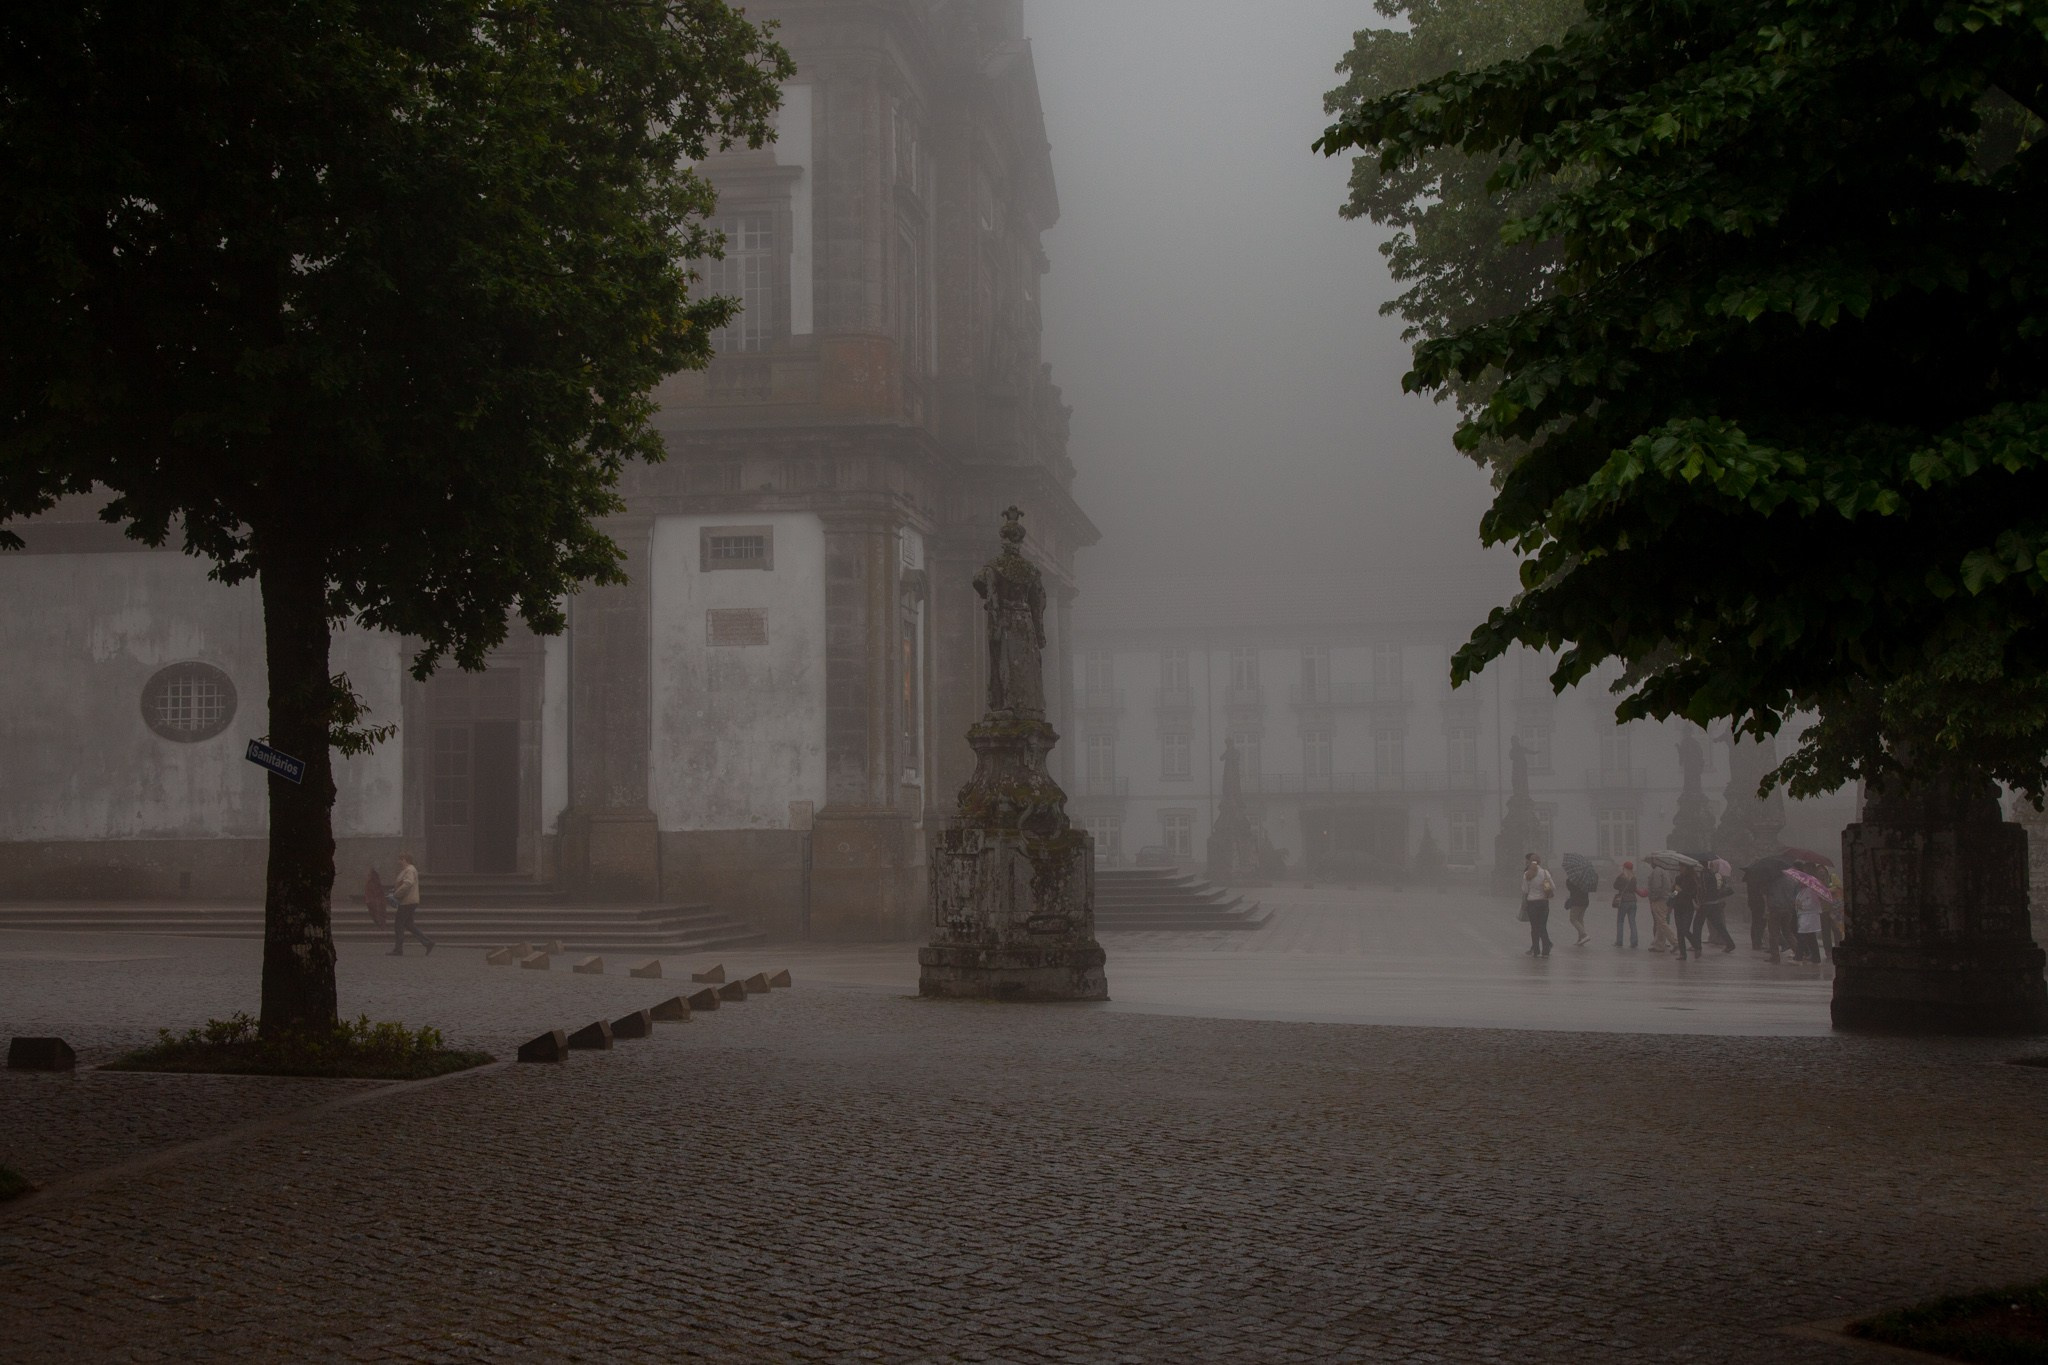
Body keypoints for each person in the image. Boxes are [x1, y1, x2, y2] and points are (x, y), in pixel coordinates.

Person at [388, 851, 434, 956]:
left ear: (405, 859)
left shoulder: (409, 870)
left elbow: (408, 883)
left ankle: (398, 950)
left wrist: (396, 894)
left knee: (398, 925)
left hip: (407, 902)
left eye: (400, 859)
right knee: (409, 924)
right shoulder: (408, 870)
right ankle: (427, 942)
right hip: (410, 901)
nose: (398, 861)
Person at [1521, 852, 1555, 957]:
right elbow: (1553, 887)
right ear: (1540, 862)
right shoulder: (1545, 873)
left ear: (1530, 862)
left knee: (1534, 927)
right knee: (1543, 926)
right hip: (1543, 902)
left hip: (1532, 903)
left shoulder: (1527, 874)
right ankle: (1546, 949)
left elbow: (1525, 890)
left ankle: (1536, 950)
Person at [1701, 857, 1737, 953]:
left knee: (1697, 925)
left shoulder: (1707, 876)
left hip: (1707, 903)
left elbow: (1677, 890)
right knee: (1718, 924)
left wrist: (1671, 898)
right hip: (1713, 903)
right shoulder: (1712, 875)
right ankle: (1729, 943)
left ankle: (1692, 945)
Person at [1671, 864, 1703, 961]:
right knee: (1679, 931)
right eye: (1679, 866)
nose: (1680, 868)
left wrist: (1682, 891)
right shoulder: (1678, 878)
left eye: (1682, 866)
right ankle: (1682, 954)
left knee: (1685, 929)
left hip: (1688, 907)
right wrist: (1673, 894)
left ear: (1687, 868)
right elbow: (1674, 893)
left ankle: (1697, 946)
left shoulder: (1692, 880)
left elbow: (1693, 894)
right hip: (1678, 907)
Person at [1646, 863, 1676, 952]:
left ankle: (1675, 941)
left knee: (1662, 922)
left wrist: (1653, 898)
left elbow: (1657, 887)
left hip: (1660, 900)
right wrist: (1671, 899)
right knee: (1660, 922)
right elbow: (1674, 889)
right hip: (1667, 900)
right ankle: (1659, 944)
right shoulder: (1667, 873)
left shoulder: (1657, 871)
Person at [1612, 862, 1642, 948]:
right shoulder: (1634, 878)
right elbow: (1634, 888)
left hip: (1624, 901)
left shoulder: (1621, 877)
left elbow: (1615, 886)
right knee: (1632, 922)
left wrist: (1619, 876)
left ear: (1624, 868)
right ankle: (1634, 941)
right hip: (1633, 901)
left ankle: (1619, 941)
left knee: (1620, 921)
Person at [1793, 882, 1824, 962]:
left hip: (1809, 917)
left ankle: (1798, 958)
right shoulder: (1802, 890)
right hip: (1804, 916)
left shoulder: (1811, 891)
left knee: (1802, 937)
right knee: (1811, 938)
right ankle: (1816, 958)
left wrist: (1801, 905)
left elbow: (1811, 904)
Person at [1565, 872, 1592, 947]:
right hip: (1585, 901)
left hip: (1577, 902)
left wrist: (1569, 878)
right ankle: (1580, 939)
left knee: (1573, 919)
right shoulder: (1585, 879)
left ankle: (1584, 935)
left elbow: (1569, 887)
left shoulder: (1573, 880)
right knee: (1580, 919)